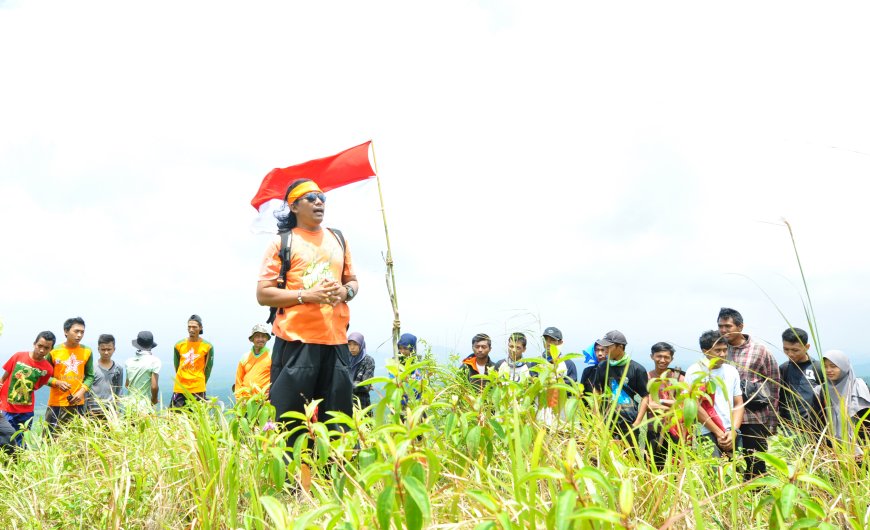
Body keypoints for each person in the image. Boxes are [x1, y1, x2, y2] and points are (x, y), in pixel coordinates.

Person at [256, 178, 358, 446]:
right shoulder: (282, 243)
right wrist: (306, 296)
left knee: (337, 422)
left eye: (322, 198)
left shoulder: (338, 239)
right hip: (296, 343)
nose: (319, 202)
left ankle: (331, 482)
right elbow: (263, 294)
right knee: (290, 421)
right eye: (311, 198)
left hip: (336, 342)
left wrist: (345, 292)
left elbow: (353, 282)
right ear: (294, 206)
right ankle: (291, 486)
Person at [718, 307, 780, 479]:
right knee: (727, 462)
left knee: (755, 461)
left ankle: (757, 499)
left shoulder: (760, 350)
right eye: (720, 326)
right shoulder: (718, 350)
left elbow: (774, 382)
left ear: (741, 326)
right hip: (725, 417)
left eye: (728, 326)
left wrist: (772, 420)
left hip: (754, 416)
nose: (723, 330)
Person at [684, 330, 744, 457]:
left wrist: (733, 430)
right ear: (706, 351)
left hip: (731, 432)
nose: (723, 354)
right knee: (714, 473)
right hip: (706, 432)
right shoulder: (695, 371)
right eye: (718, 350)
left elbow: (738, 403)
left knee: (737, 472)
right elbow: (694, 405)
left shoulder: (732, 371)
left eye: (725, 349)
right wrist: (718, 432)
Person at [589, 330, 649, 441]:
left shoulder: (636, 369)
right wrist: (596, 417)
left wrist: (637, 423)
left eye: (609, 347)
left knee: (629, 456)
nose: (605, 350)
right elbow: (597, 391)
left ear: (620, 347)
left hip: (629, 423)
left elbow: (645, 396)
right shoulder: (603, 366)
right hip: (606, 422)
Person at [0, 331, 56, 447]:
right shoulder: (18, 356)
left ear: (51, 349)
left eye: (46, 348)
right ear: (34, 343)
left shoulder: (48, 369)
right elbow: (4, 377)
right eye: (39, 346)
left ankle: (19, 464)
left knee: (22, 443)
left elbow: (38, 386)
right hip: (6, 407)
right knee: (5, 441)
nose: (41, 350)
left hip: (26, 411)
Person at [637, 342, 686, 466]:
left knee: (675, 470)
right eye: (659, 356)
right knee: (652, 469)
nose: (662, 360)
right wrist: (671, 404)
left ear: (672, 359)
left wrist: (658, 403)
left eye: (666, 357)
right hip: (653, 431)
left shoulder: (678, 378)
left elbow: (683, 406)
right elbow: (648, 405)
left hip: (675, 432)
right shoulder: (647, 377)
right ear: (652, 356)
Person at [46, 317, 94, 430]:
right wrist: (56, 382)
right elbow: (44, 376)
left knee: (76, 439)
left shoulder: (87, 351)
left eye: (82, 332)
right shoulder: (53, 351)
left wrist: (81, 392)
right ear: (66, 331)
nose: (79, 335)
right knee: (51, 439)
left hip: (78, 403)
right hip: (56, 403)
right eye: (76, 331)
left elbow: (90, 376)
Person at [821, 350, 870, 451]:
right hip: (833, 450)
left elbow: (866, 420)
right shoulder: (822, 390)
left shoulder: (858, 388)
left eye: (833, 366)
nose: (828, 370)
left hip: (860, 448)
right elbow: (818, 421)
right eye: (825, 366)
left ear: (844, 367)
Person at [778, 327, 825, 433]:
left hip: (816, 428)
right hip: (790, 428)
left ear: (807, 347)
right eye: (786, 349)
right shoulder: (784, 369)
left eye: (795, 350)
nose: (790, 354)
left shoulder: (818, 368)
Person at [171, 314, 214, 407]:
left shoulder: (207, 346)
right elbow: (176, 365)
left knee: (196, 419)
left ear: (200, 328)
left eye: (194, 327)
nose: (191, 329)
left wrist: (201, 382)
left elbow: (208, 368)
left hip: (198, 387)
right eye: (189, 327)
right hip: (180, 387)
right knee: (176, 416)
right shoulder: (179, 345)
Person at [86, 334, 124, 418]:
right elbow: (86, 390)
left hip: (111, 411)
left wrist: (118, 410)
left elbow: (119, 390)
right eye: (103, 349)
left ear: (114, 349)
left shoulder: (118, 369)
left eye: (109, 349)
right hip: (93, 410)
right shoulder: (91, 368)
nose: (106, 352)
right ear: (98, 349)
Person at [234, 324, 273, 402]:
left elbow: (276, 378)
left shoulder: (272, 355)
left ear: (267, 339)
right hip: (245, 400)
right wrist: (239, 399)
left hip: (264, 400)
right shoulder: (245, 357)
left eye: (263, 336)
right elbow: (238, 381)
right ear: (252, 339)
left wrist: (272, 394)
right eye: (257, 336)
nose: (260, 339)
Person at [125, 331, 162, 410]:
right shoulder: (154, 361)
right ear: (151, 345)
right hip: (145, 407)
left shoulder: (128, 361)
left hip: (129, 406)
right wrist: (154, 399)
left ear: (137, 345)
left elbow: (127, 385)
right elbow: (154, 387)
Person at [348, 332, 375, 409]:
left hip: (361, 403)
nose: (352, 347)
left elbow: (365, 385)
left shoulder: (368, 360)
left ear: (361, 345)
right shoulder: (344, 359)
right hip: (344, 401)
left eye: (355, 344)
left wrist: (345, 385)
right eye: (349, 344)